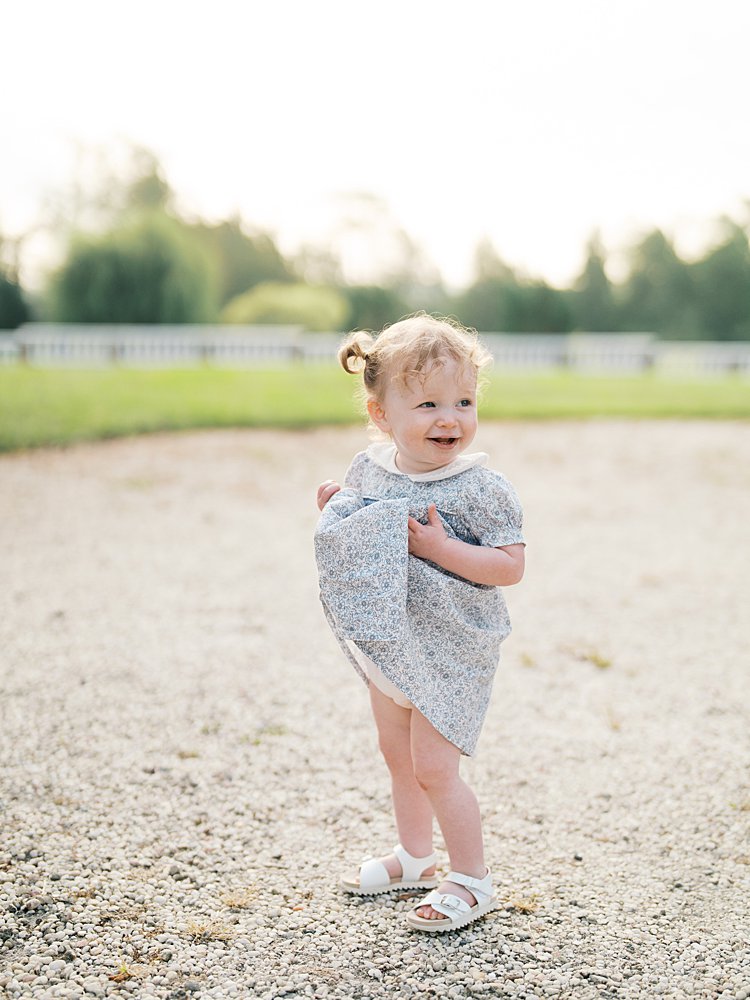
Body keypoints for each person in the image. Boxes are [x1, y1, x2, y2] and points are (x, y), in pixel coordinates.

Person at [314, 314, 525, 933]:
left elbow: (509, 567)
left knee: (435, 767)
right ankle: (415, 856)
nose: (449, 418)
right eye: (428, 403)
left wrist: (440, 549)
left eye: (463, 400)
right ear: (382, 415)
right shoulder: (372, 470)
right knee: (396, 755)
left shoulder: (482, 488)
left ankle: (472, 878)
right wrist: (340, 508)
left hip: (449, 649)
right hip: (392, 640)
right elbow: (357, 532)